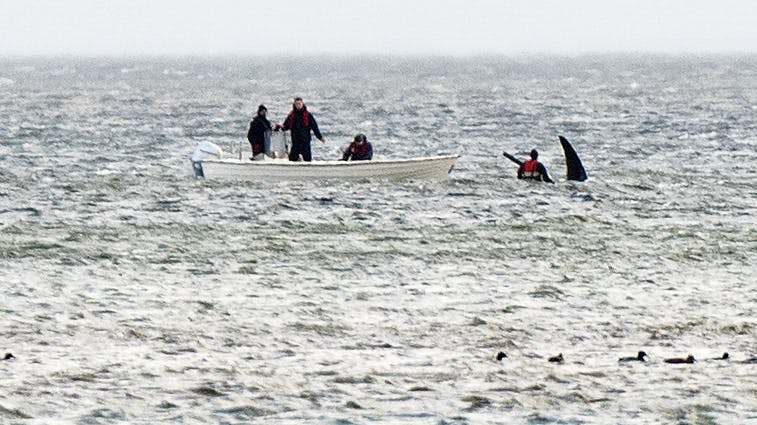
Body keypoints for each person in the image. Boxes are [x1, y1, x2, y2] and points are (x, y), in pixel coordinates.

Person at [275, 97, 324, 161]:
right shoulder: (292, 115)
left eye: (299, 104)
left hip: (305, 141)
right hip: (295, 142)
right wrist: (280, 127)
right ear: (294, 105)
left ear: (302, 104)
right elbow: (286, 126)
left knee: (307, 160)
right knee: (292, 159)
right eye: (296, 104)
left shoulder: (308, 115)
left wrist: (320, 137)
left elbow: (314, 127)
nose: (298, 105)